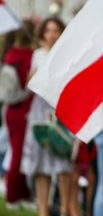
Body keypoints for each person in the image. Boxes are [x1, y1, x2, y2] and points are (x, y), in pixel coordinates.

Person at [20, 17, 73, 216]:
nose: (52, 34)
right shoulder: (38, 55)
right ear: (42, 33)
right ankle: (43, 209)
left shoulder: (66, 54)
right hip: (40, 110)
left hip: (60, 109)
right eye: (48, 30)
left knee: (63, 162)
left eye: (56, 30)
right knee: (42, 163)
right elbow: (30, 83)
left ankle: (65, 208)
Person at [2, 21, 35, 209]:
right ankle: (14, 195)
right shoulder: (28, 56)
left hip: (11, 109)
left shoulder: (9, 55)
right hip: (23, 108)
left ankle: (20, 193)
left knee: (16, 151)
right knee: (20, 153)